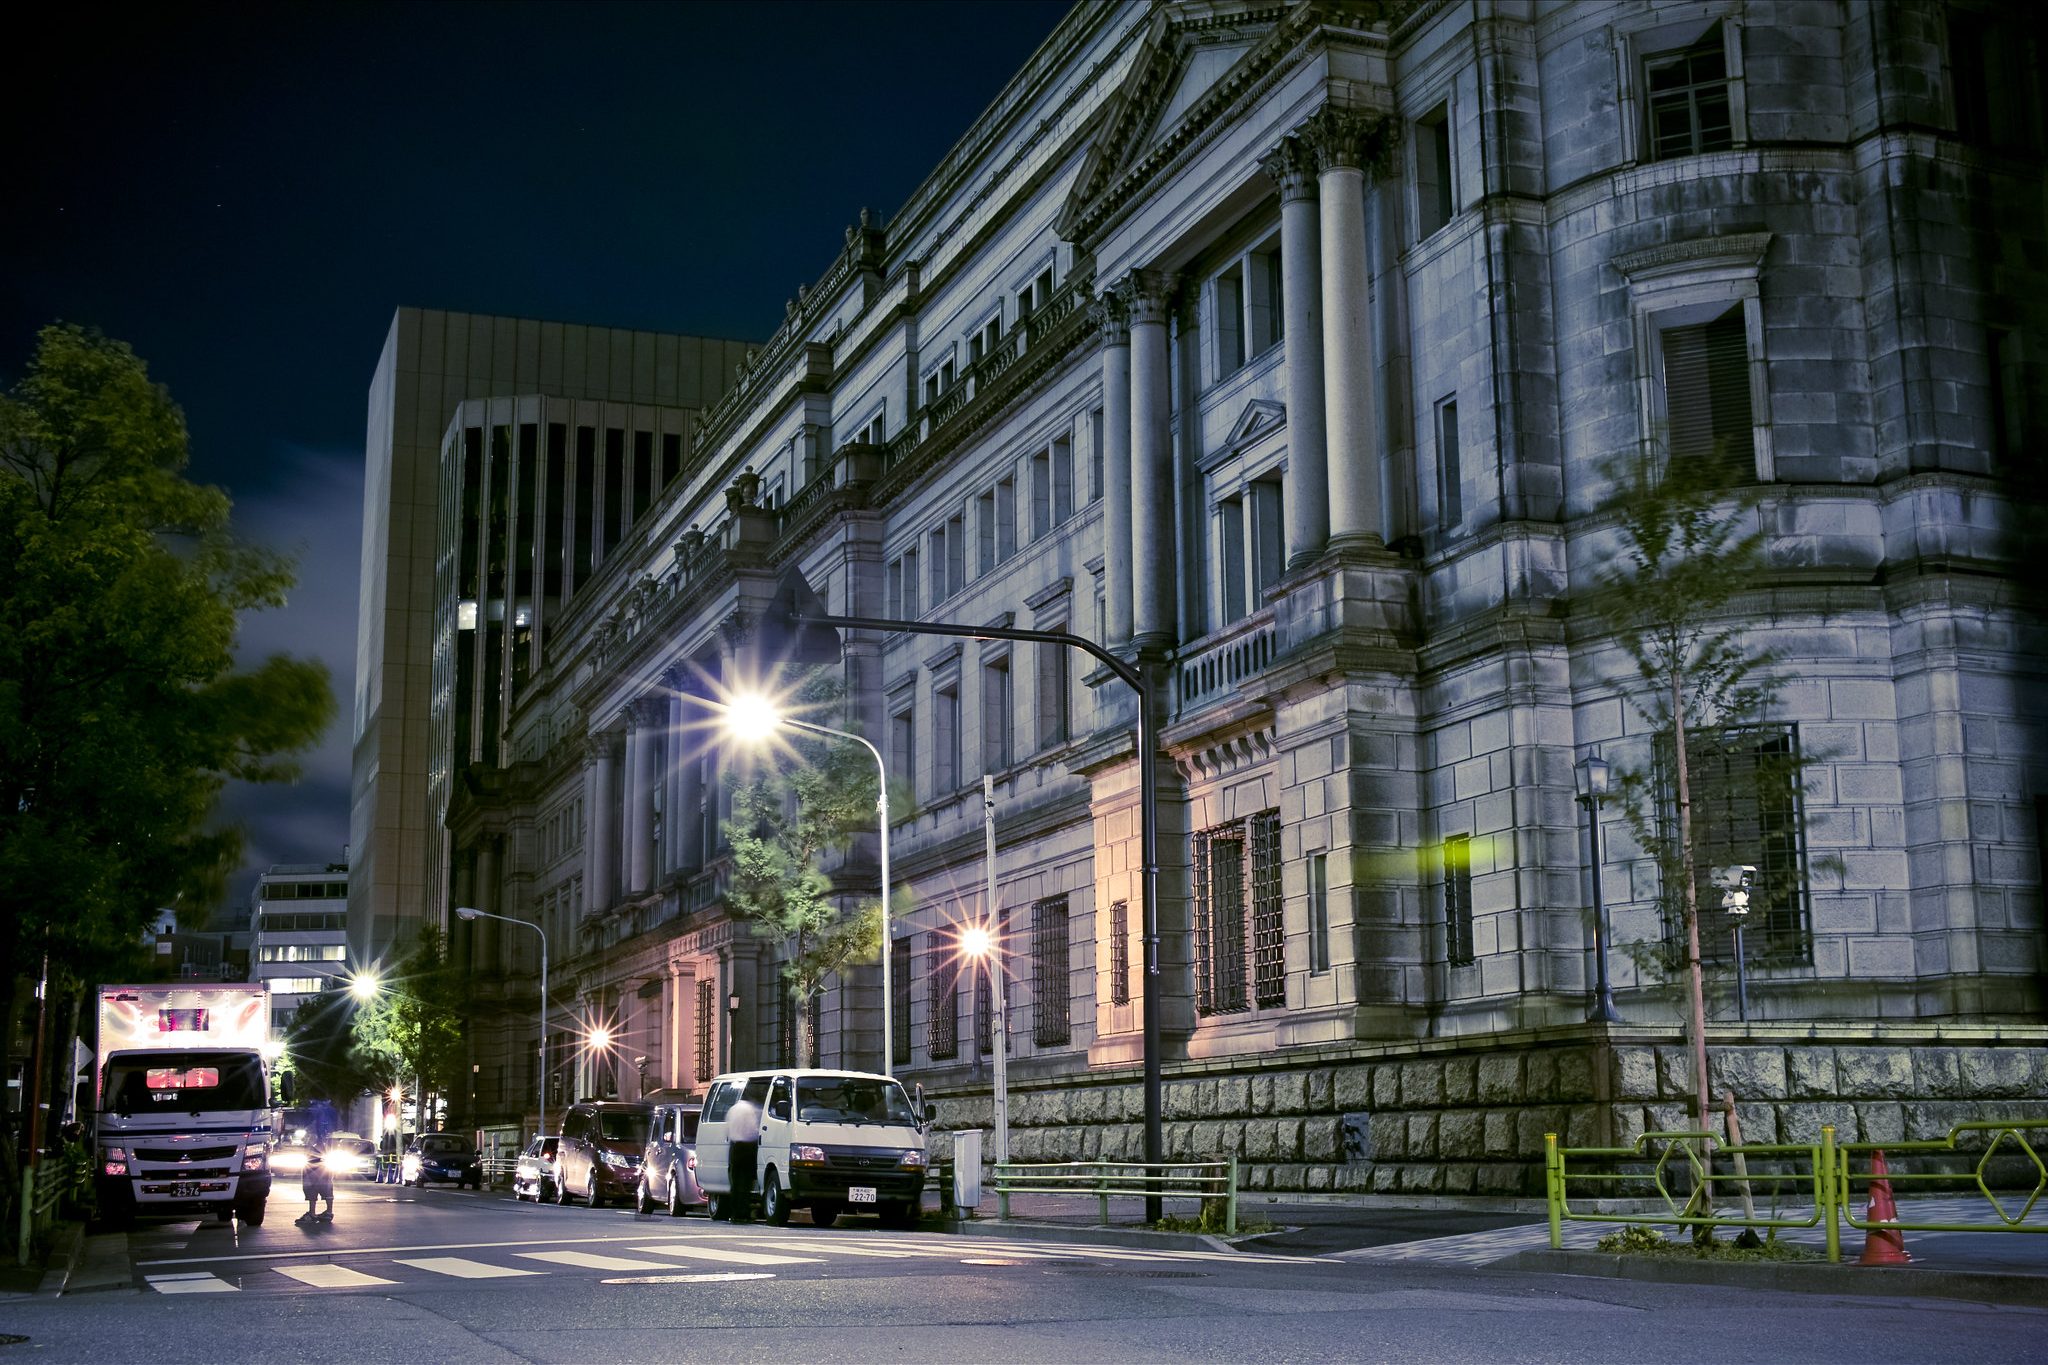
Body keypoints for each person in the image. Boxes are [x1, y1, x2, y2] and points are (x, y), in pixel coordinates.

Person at [725, 1096, 761, 1224]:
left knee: (735, 1182)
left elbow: (727, 1129)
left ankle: (734, 1213)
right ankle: (744, 1213)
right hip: (748, 1147)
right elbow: (754, 1130)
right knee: (745, 1183)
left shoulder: (733, 1109)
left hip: (735, 1147)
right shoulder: (750, 1110)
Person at [297, 1149, 335, 1224]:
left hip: (313, 1160)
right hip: (324, 1160)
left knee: (311, 1185)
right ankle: (328, 1212)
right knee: (326, 1184)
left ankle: (312, 1214)